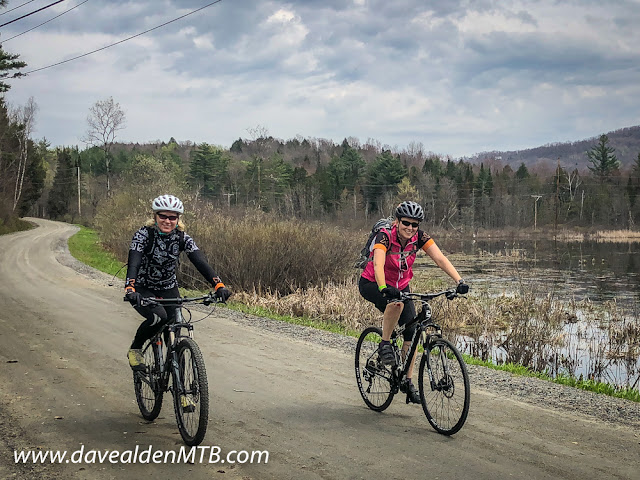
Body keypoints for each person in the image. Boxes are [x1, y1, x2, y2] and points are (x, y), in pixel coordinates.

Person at [359, 200, 468, 404]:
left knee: (413, 331)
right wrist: (383, 288)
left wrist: (459, 280)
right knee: (396, 304)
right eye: (406, 223)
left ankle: (407, 381)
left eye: (414, 224)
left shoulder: (419, 237)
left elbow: (440, 258)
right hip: (373, 283)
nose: (410, 228)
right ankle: (384, 344)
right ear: (397, 221)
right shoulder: (385, 236)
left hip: (401, 285)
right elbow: (378, 263)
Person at [124, 195, 231, 376]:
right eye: (163, 216)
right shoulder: (143, 235)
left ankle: (181, 390)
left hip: (168, 287)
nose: (167, 221)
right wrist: (130, 288)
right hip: (143, 287)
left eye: (172, 217)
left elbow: (200, 261)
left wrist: (218, 285)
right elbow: (133, 261)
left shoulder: (182, 238)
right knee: (158, 317)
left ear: (178, 219)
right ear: (155, 216)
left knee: (175, 332)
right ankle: (135, 349)